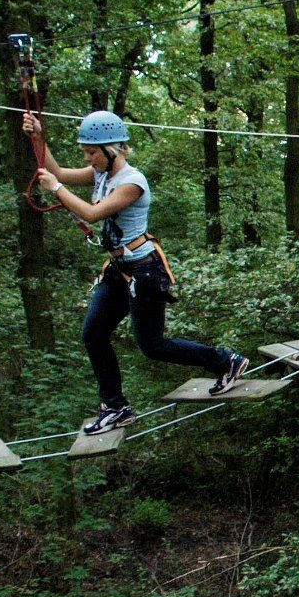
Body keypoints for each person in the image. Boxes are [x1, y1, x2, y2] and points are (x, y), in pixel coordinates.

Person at [23, 111, 249, 435]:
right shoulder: (99, 173)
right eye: (85, 152)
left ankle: (225, 361)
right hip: (118, 270)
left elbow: (90, 212)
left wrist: (55, 187)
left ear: (112, 149)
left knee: (152, 345)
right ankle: (115, 407)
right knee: (93, 333)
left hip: (144, 272)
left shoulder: (132, 183)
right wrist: (38, 136)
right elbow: (56, 170)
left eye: (91, 153)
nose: (88, 159)